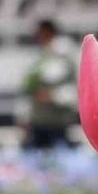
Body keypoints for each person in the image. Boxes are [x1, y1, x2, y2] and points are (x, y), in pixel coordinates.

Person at [21, 19, 78, 149]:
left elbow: (71, 86)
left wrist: (52, 96)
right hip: (39, 118)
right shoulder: (40, 54)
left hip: (57, 119)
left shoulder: (64, 53)